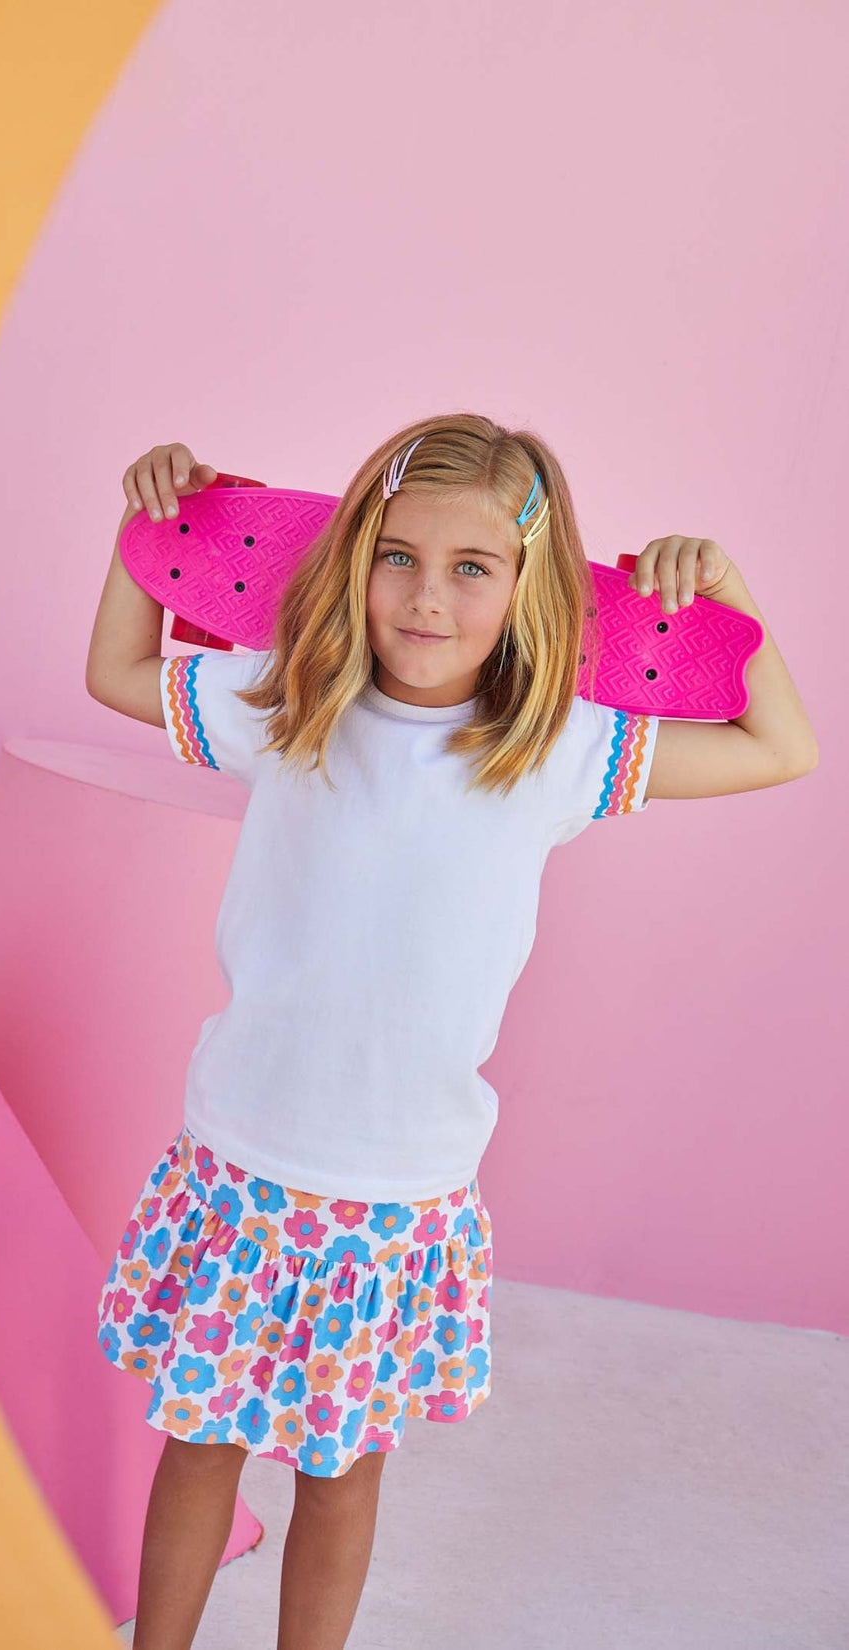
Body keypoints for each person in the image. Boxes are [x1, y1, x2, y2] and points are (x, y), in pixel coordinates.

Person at [86, 414, 818, 1650]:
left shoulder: (555, 753)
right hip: (241, 1166)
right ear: (352, 559)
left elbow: (779, 746)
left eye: (471, 568)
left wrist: (728, 593)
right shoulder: (289, 707)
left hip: (394, 1197)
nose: (425, 599)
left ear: (530, 588)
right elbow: (116, 672)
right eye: (397, 557)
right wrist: (142, 528)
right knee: (197, 1445)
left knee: (341, 1478)